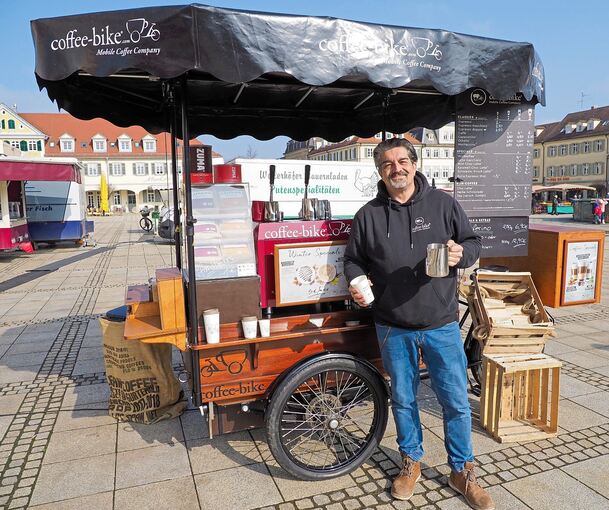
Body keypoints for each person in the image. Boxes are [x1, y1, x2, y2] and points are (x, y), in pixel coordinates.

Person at [344, 138, 493, 510]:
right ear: (380, 171)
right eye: (388, 164)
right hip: (392, 325)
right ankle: (410, 462)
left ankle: (462, 470)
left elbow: (473, 242)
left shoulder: (444, 204)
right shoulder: (368, 215)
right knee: (404, 400)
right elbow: (353, 260)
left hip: (441, 323)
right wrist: (355, 282)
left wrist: (462, 254)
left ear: (414, 163)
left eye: (403, 161)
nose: (397, 168)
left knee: (456, 401)